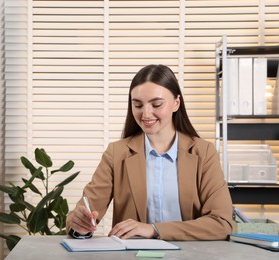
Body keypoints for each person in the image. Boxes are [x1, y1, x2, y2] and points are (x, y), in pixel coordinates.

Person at [66, 64, 233, 240]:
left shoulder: (203, 153)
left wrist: (154, 229)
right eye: (138, 105)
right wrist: (79, 224)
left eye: (156, 104)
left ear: (176, 103)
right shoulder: (116, 153)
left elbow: (221, 223)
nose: (146, 114)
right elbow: (83, 212)